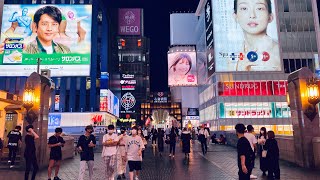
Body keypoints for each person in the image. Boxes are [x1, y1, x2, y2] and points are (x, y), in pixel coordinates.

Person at [233, 0, 281, 71]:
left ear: (270, 17)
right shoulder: (233, 60)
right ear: (235, 16)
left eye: (259, 8)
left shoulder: (278, 54)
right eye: (244, 8)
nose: (252, 15)